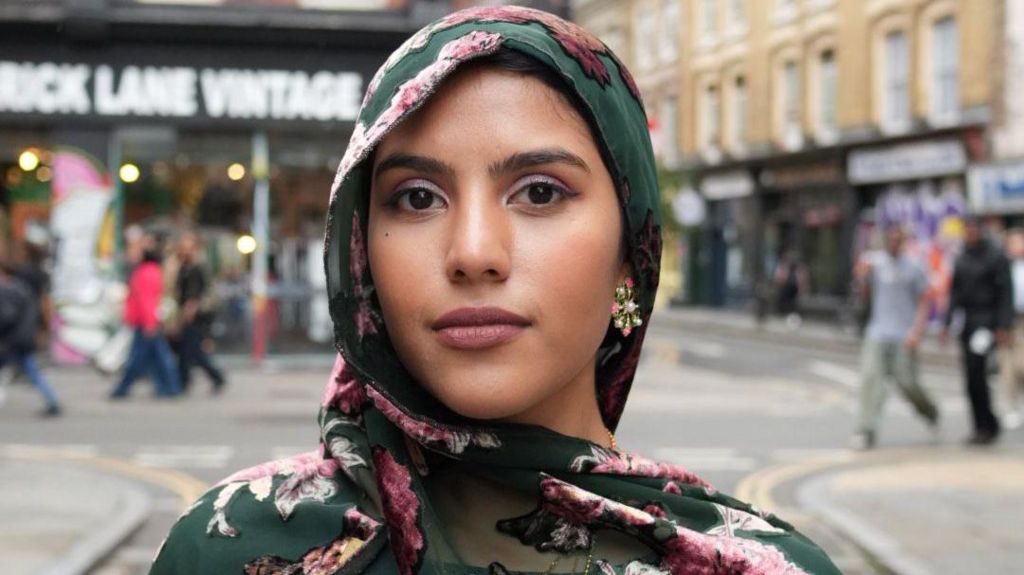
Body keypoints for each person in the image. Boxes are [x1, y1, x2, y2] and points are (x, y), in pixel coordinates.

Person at [151, 8, 839, 574]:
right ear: (361, 256)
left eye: (539, 191)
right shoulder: (225, 548)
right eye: (417, 198)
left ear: (632, 255)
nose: (474, 252)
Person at [850, 226, 938, 449]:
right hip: (877, 331)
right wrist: (861, 277)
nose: (894, 243)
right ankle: (866, 429)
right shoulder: (874, 262)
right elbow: (863, 293)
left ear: (903, 241)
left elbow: (924, 301)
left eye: (898, 239)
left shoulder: (914, 267)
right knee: (871, 379)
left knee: (907, 382)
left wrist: (917, 331)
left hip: (903, 334)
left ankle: (929, 411)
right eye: (890, 239)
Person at [942, 218, 1014, 445]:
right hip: (968, 322)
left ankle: (986, 425)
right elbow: (955, 292)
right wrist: (946, 322)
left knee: (978, 370)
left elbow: (1005, 293)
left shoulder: (995, 256)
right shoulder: (961, 257)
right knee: (971, 377)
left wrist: (1003, 325)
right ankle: (983, 423)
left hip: (987, 322)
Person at [110, 236, 181, 399]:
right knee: (157, 357)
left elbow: (147, 300)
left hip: (146, 323)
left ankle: (124, 388)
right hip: (144, 322)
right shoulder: (148, 271)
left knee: (141, 358)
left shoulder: (147, 272)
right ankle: (167, 387)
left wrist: (149, 323)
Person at [0, 262, 60, 416]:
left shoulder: (9, 290)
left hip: (14, 340)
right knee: (32, 371)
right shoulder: (23, 289)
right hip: (23, 338)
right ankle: (52, 400)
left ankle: (52, 401)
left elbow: (7, 316)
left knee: (31, 371)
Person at [173, 232, 225, 394]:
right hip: (186, 314)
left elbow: (198, 294)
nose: (186, 251)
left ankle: (213, 377)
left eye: (189, 248)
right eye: (184, 248)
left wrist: (191, 310)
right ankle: (186, 381)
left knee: (192, 351)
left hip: (198, 316)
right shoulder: (183, 267)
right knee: (188, 351)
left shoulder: (199, 268)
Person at [999, 227, 1024, 429]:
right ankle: (1013, 406)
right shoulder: (1002, 265)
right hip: (1007, 321)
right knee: (1007, 367)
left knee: (1021, 364)